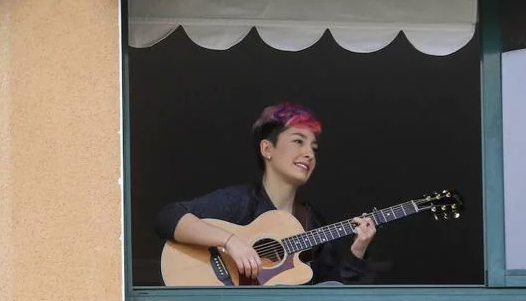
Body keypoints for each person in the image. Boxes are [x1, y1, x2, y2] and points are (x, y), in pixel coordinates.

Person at [155, 102, 377, 284]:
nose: (309, 153)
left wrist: (357, 251)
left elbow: (332, 297)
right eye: (298, 141)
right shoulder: (239, 201)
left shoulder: (313, 223)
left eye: (314, 148)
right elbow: (168, 217)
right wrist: (232, 242)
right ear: (267, 149)